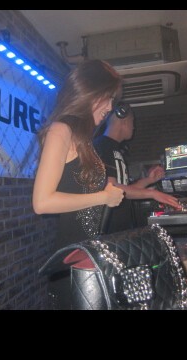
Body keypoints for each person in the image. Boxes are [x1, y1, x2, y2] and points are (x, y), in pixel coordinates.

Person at [32, 59, 125, 251]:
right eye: (108, 98)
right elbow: (42, 203)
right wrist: (103, 197)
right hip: (74, 255)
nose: (110, 107)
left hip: (89, 251)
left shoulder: (85, 140)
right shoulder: (60, 130)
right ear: (90, 92)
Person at [93, 101, 181, 234]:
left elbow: (126, 190)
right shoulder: (101, 147)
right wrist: (152, 193)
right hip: (109, 230)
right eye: (132, 122)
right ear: (124, 122)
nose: (133, 127)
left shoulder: (115, 149)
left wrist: (149, 180)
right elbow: (112, 187)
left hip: (121, 227)